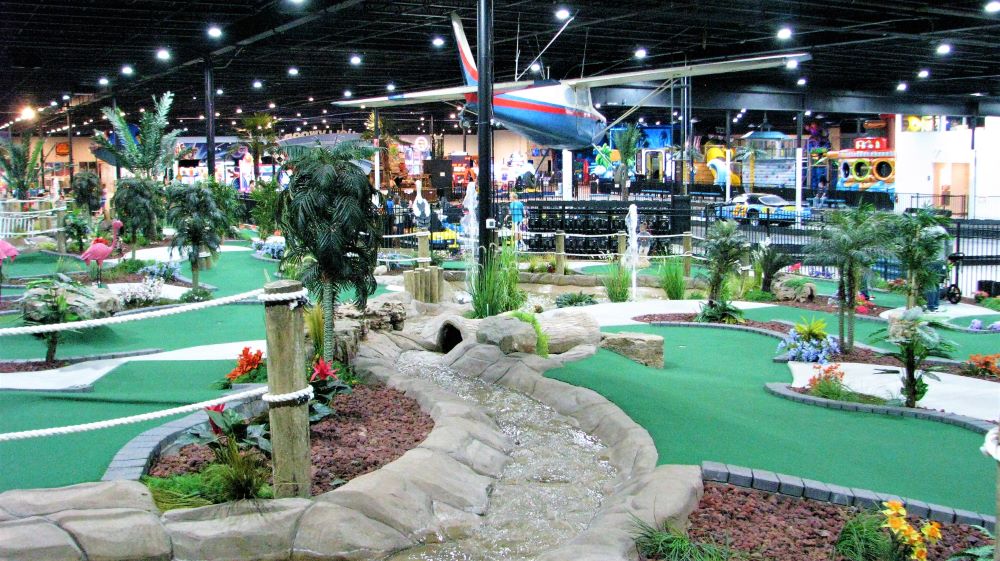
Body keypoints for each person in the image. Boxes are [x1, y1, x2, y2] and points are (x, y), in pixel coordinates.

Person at [922, 222, 950, 312]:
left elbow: (921, 244)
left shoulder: (925, 231)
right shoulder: (942, 230)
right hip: (940, 260)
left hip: (929, 260)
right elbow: (949, 244)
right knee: (936, 282)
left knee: (930, 283)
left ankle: (930, 305)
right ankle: (935, 304)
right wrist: (947, 256)